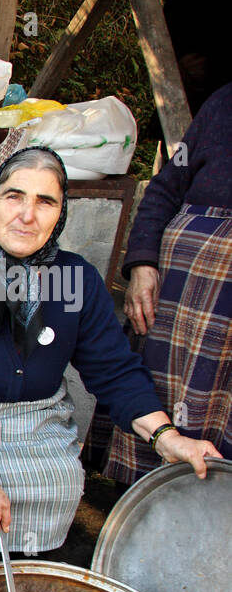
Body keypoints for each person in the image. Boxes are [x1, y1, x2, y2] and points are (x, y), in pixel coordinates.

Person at [0, 148, 220, 556]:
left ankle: (16, 577)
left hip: (33, 418)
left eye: (46, 202)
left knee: (62, 483)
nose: (27, 215)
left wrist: (168, 437)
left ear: (61, 213)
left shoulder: (77, 279)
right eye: (14, 196)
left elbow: (114, 370)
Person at [92, 81, 232, 484]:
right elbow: (166, 187)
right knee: (158, 397)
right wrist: (141, 262)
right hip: (179, 295)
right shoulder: (223, 103)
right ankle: (145, 503)